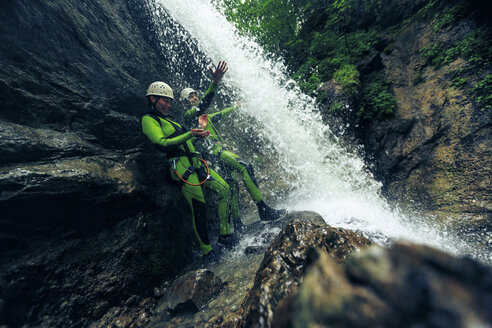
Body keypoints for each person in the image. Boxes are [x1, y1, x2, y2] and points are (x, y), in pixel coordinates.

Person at [141, 80, 235, 262]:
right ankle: (208, 253)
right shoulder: (148, 119)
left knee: (225, 190)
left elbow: (187, 141)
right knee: (198, 208)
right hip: (181, 167)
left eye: (170, 101)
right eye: (164, 100)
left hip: (196, 162)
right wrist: (191, 133)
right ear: (152, 98)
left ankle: (225, 236)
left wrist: (199, 131)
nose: (168, 105)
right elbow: (162, 144)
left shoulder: (170, 120)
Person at [181, 61, 286, 222]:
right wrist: (215, 83)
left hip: (217, 153)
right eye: (190, 97)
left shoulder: (205, 117)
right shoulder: (189, 116)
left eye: (195, 95)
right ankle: (263, 209)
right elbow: (201, 107)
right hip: (213, 154)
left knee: (233, 187)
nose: (194, 97)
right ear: (185, 102)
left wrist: (236, 107)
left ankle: (237, 225)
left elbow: (220, 114)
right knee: (245, 167)